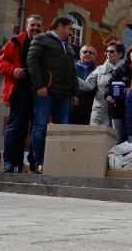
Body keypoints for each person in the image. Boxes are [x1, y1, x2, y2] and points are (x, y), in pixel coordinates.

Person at [27, 16, 79, 174]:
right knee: (40, 127)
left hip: (63, 95)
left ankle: (57, 163)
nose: (71, 32)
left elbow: (73, 72)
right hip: (45, 92)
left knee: (61, 130)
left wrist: (75, 93)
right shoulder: (41, 39)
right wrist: (40, 85)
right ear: (61, 27)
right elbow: (32, 62)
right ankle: (39, 162)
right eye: (70, 28)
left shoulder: (69, 47)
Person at [0, 14, 43, 173]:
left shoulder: (44, 44)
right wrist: (13, 70)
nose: (36, 28)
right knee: (15, 127)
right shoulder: (14, 42)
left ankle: (27, 163)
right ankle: (9, 161)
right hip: (19, 90)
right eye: (33, 25)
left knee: (33, 129)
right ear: (26, 26)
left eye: (38, 25)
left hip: (38, 92)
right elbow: (1, 63)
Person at [79, 41, 124, 130]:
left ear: (120, 54)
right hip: (99, 112)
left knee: (114, 142)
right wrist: (72, 75)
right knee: (95, 139)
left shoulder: (125, 70)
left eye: (112, 51)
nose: (108, 54)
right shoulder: (99, 69)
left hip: (117, 113)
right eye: (107, 51)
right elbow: (88, 86)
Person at [107, 43, 132, 143]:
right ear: (129, 54)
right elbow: (109, 85)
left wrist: (131, 91)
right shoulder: (121, 68)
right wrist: (108, 95)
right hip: (119, 109)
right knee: (117, 140)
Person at [69, 44, 97, 125]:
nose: (87, 54)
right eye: (85, 52)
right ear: (80, 54)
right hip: (71, 108)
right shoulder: (71, 67)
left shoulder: (98, 70)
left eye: (90, 53)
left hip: (90, 110)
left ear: (95, 56)